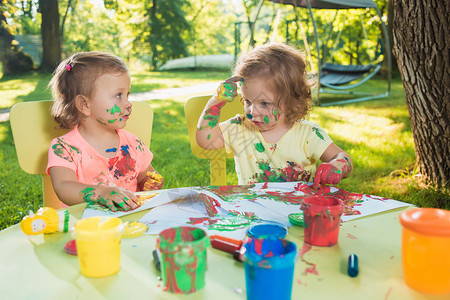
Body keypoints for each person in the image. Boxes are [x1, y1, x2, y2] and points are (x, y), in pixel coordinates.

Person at [196, 43, 352, 187]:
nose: (253, 112)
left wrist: (337, 165)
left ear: (291, 100)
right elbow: (205, 140)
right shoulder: (240, 128)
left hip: (298, 211)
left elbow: (342, 157)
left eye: (265, 104)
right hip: (253, 211)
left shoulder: (308, 134)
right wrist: (216, 102)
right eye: (248, 101)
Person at [47, 52, 163, 212]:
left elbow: (146, 176)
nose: (128, 104)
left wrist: (149, 183)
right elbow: (63, 186)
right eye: (118, 95)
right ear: (84, 105)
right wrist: (99, 193)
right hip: (87, 227)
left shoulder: (132, 143)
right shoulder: (65, 148)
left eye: (127, 95)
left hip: (132, 223)